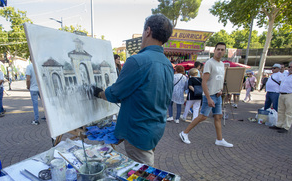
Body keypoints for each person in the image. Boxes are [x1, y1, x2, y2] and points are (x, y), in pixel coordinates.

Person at [92, 14, 174, 166]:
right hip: (155, 128)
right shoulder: (167, 64)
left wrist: (98, 93)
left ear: (148, 31)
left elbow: (115, 93)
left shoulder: (137, 61)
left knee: (143, 180)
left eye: (143, 32)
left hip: (138, 131)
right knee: (142, 171)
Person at [179, 42, 233, 147]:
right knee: (203, 116)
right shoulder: (209, 63)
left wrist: (221, 90)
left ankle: (219, 139)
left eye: (222, 50)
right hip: (210, 95)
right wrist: (208, 98)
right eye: (218, 49)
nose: (220, 51)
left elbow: (219, 79)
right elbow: (204, 81)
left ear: (225, 51)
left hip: (218, 95)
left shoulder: (222, 64)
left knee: (218, 117)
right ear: (214, 50)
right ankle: (184, 133)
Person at [269, 61, 292, 133]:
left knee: (289, 111)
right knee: (281, 110)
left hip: (291, 94)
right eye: (289, 67)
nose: (290, 68)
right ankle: (279, 124)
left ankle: (286, 127)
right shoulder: (286, 74)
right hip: (282, 94)